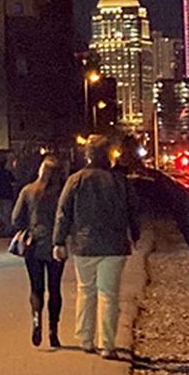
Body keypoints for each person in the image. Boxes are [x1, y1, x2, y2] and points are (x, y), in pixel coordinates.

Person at [53, 137, 140, 359]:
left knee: (86, 290)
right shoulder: (120, 181)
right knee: (109, 295)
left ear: (88, 155)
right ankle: (107, 345)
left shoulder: (76, 180)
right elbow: (133, 210)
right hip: (115, 245)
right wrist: (135, 235)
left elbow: (63, 213)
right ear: (108, 154)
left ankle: (85, 339)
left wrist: (59, 241)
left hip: (85, 245)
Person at [9, 155, 66, 348]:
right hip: (56, 245)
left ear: (40, 171)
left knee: (36, 287)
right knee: (55, 288)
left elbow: (16, 218)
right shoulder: (60, 194)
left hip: (33, 245)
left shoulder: (28, 191)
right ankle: (53, 331)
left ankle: (36, 322)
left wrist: (27, 228)